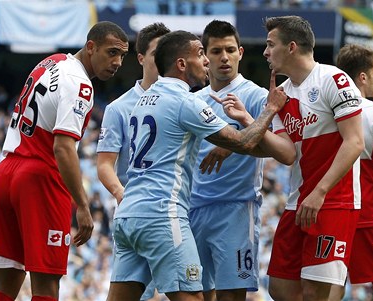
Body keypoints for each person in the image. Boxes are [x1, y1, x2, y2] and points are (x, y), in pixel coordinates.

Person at [106, 30, 288, 301]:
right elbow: (244, 142)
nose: (206, 61)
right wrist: (271, 109)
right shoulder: (186, 101)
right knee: (193, 297)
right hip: (163, 215)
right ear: (181, 64)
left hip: (128, 216)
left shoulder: (141, 101)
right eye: (201, 54)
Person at [0, 21, 129, 301]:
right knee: (46, 285)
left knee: (5, 281)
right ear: (91, 47)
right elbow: (63, 148)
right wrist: (83, 205)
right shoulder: (81, 85)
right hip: (40, 176)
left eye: (122, 55)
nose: (117, 62)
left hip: (7, 171)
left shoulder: (52, 62)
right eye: (112, 52)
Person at [189, 20, 295, 301]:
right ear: (204, 56)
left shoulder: (257, 96)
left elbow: (278, 149)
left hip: (235, 208)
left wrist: (233, 145)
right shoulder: (193, 101)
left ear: (240, 52)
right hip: (192, 208)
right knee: (192, 294)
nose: (224, 57)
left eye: (229, 49)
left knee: (231, 295)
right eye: (215, 51)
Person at [263, 16, 365, 300]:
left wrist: (320, 191)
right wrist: (254, 119)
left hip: (333, 200)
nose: (266, 52)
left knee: (314, 292)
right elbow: (286, 153)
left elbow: (354, 141)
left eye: (271, 45)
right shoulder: (280, 95)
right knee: (279, 287)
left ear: (292, 47)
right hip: (298, 201)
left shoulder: (334, 79)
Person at [96, 22, 170, 301]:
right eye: (156, 54)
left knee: (195, 290)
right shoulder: (118, 108)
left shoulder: (186, 102)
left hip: (178, 213)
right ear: (140, 58)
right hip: (137, 212)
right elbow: (105, 164)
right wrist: (120, 193)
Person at [328, 44, 373, 301]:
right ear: (362, 76)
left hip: (330, 212)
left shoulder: (325, 109)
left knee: (329, 287)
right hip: (367, 214)